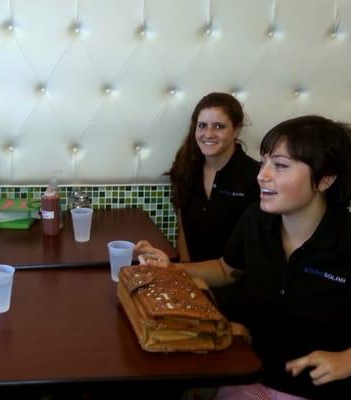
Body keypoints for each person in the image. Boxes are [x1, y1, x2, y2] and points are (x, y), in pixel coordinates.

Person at [137, 115, 351, 399]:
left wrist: (347, 360)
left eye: (281, 166)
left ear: (326, 179)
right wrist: (174, 269)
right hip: (251, 372)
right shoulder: (256, 220)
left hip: (319, 388)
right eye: (264, 163)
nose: (262, 175)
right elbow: (227, 270)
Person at [168, 92, 259, 317]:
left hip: (240, 290)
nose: (208, 134)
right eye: (202, 126)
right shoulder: (186, 169)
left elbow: (255, 254)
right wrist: (185, 273)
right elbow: (183, 226)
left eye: (219, 126)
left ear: (236, 130)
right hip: (192, 281)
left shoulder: (255, 177)